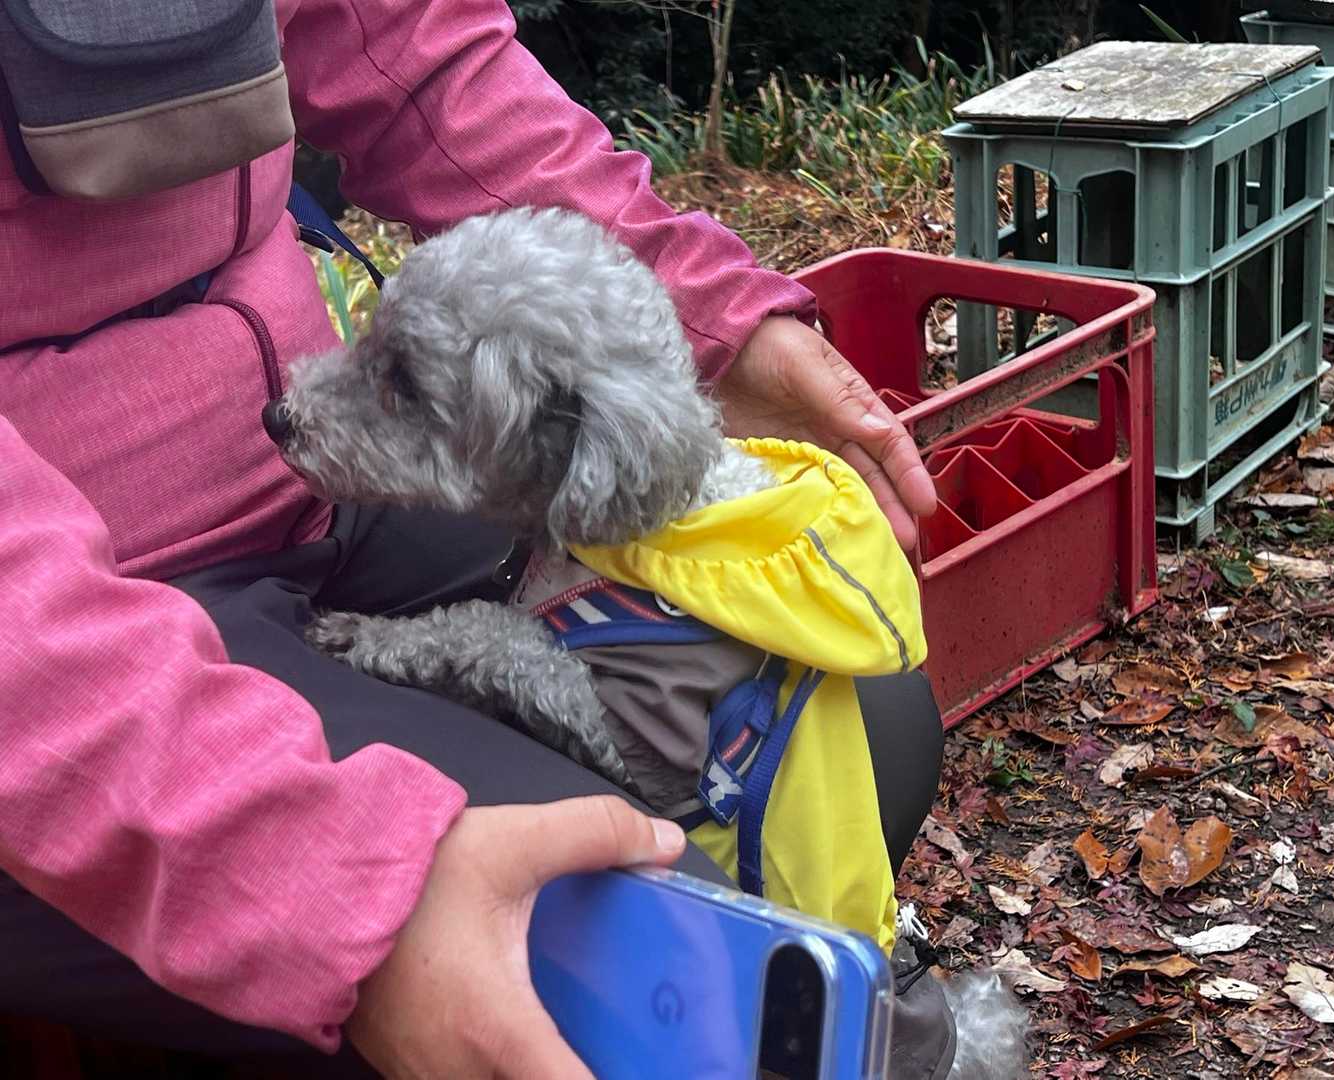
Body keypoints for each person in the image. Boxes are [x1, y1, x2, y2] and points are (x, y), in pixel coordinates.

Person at [0, 1, 944, 1076]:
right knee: (643, 942)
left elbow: (410, 53)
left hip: (336, 496)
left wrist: (713, 318)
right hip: (75, 610)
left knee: (878, 720)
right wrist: (334, 887)